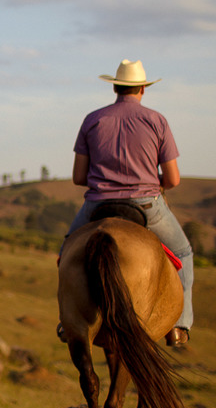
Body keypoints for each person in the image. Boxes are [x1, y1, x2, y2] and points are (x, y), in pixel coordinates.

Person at [65, 59, 194, 346]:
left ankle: (68, 321)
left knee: (67, 250)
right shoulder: (157, 120)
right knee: (183, 253)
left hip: (98, 204)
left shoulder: (92, 119)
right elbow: (172, 179)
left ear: (114, 86)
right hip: (146, 204)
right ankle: (180, 326)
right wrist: (149, 180)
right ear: (143, 90)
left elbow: (78, 177)